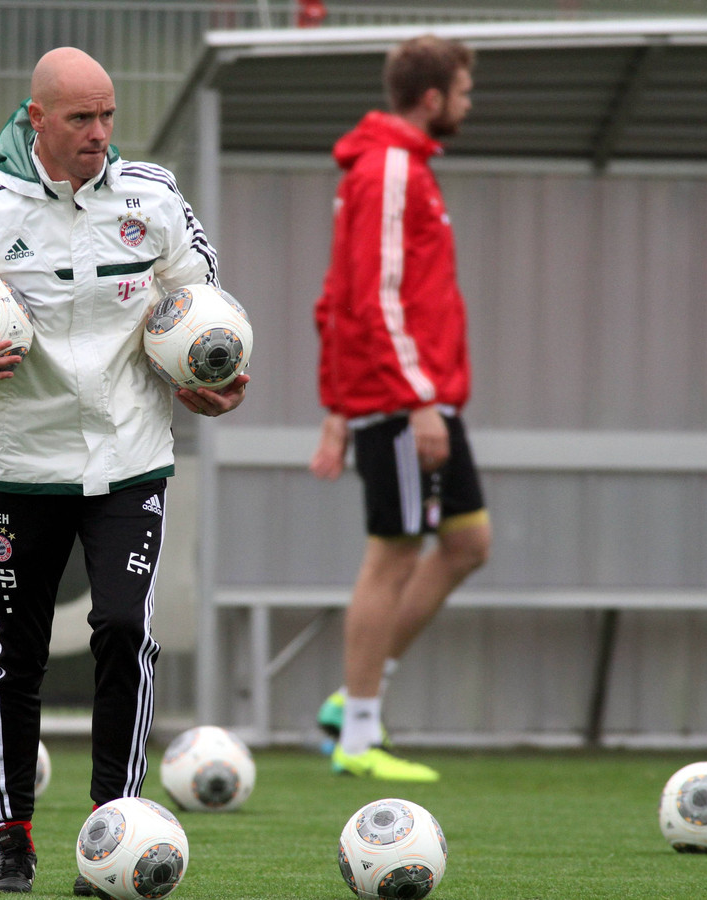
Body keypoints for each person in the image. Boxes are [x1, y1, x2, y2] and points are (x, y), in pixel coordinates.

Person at [0, 47, 248, 894]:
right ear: (35, 120)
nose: (99, 134)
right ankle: (12, 844)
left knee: (121, 629)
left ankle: (112, 830)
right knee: (19, 655)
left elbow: (198, 300)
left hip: (130, 463)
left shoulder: (150, 198)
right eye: (81, 118)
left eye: (108, 115)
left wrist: (204, 378)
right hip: (19, 471)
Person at [309, 34, 491, 782]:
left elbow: (337, 294)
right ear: (431, 98)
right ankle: (357, 731)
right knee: (392, 554)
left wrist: (333, 406)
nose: (468, 102)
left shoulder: (398, 167)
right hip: (402, 398)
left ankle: (353, 696)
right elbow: (370, 297)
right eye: (464, 89)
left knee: (466, 543)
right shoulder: (387, 169)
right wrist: (409, 402)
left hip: (418, 396)